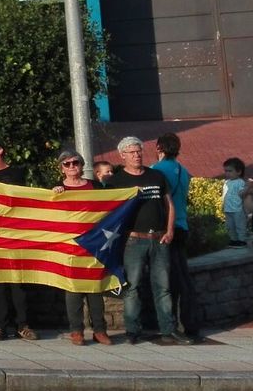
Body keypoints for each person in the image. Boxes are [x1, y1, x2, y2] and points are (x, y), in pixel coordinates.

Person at [106, 136, 191, 345]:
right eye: (132, 152)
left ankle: (168, 329)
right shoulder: (116, 181)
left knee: (163, 286)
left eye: (139, 151)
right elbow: (107, 211)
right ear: (122, 155)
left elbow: (169, 204)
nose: (137, 155)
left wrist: (169, 230)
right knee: (133, 287)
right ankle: (132, 330)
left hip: (159, 238)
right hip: (133, 241)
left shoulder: (156, 175)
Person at [0, 137, 36, 341]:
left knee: (18, 281)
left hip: (16, 235)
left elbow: (15, 195)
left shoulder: (16, 172)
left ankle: (22, 325)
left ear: (0, 150)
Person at [51, 150, 111, 346]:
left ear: (82, 165)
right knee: (73, 289)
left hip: (93, 245)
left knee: (95, 289)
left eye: (75, 163)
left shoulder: (94, 187)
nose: (71, 167)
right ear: (61, 168)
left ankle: (100, 330)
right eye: (66, 164)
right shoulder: (57, 189)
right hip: (69, 246)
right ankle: (76, 330)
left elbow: (110, 205)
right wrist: (54, 195)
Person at [152, 132, 201, 342]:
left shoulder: (156, 170)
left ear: (159, 148)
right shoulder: (182, 170)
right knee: (183, 275)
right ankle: (190, 322)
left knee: (171, 280)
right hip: (182, 225)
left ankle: (174, 323)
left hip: (165, 229)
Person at [222, 157, 251, 247]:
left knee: (240, 225)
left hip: (238, 209)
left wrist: (248, 187)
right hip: (228, 209)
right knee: (230, 226)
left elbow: (242, 194)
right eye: (226, 171)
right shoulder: (227, 182)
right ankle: (233, 239)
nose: (227, 173)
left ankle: (241, 240)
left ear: (239, 172)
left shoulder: (240, 182)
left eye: (230, 171)